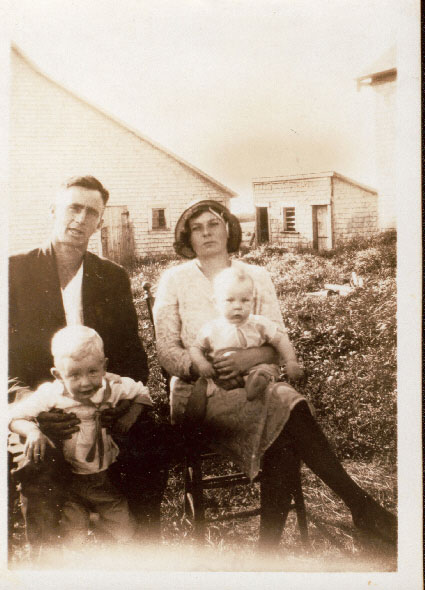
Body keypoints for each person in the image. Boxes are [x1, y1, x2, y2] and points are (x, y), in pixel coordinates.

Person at [153, 198, 397, 550]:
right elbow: (167, 351)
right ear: (187, 237)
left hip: (256, 384)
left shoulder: (258, 276)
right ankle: (361, 509)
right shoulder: (174, 280)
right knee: (285, 409)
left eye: (214, 224)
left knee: (283, 428)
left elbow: (277, 337)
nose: (206, 233)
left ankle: (268, 552)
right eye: (197, 228)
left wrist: (247, 358)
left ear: (228, 229)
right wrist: (205, 366)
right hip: (200, 393)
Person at [8, 175, 168, 559]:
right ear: (53, 212)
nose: (80, 218)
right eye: (73, 208)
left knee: (151, 440)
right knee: (39, 459)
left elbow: (132, 359)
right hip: (37, 408)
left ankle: (144, 557)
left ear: (100, 223)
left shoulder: (111, 277)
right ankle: (47, 566)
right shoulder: (13, 272)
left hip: (103, 399)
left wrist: (118, 406)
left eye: (91, 212)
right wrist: (36, 413)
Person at [9, 326, 153, 548]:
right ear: (58, 375)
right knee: (72, 539)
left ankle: (122, 553)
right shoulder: (52, 393)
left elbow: (142, 393)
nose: (85, 383)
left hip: (105, 483)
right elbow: (11, 417)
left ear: (104, 366)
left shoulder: (112, 385)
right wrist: (32, 431)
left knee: (126, 533)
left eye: (92, 372)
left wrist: (130, 416)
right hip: (71, 486)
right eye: (74, 375)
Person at [189, 265, 304, 409]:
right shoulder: (211, 328)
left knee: (262, 372)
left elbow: (280, 339)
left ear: (253, 301)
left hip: (255, 367)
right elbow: (195, 348)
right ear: (216, 303)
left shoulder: (259, 324)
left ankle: (255, 385)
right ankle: (191, 426)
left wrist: (291, 361)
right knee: (200, 387)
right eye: (229, 300)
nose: (238, 306)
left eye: (245, 300)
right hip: (221, 374)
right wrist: (202, 363)